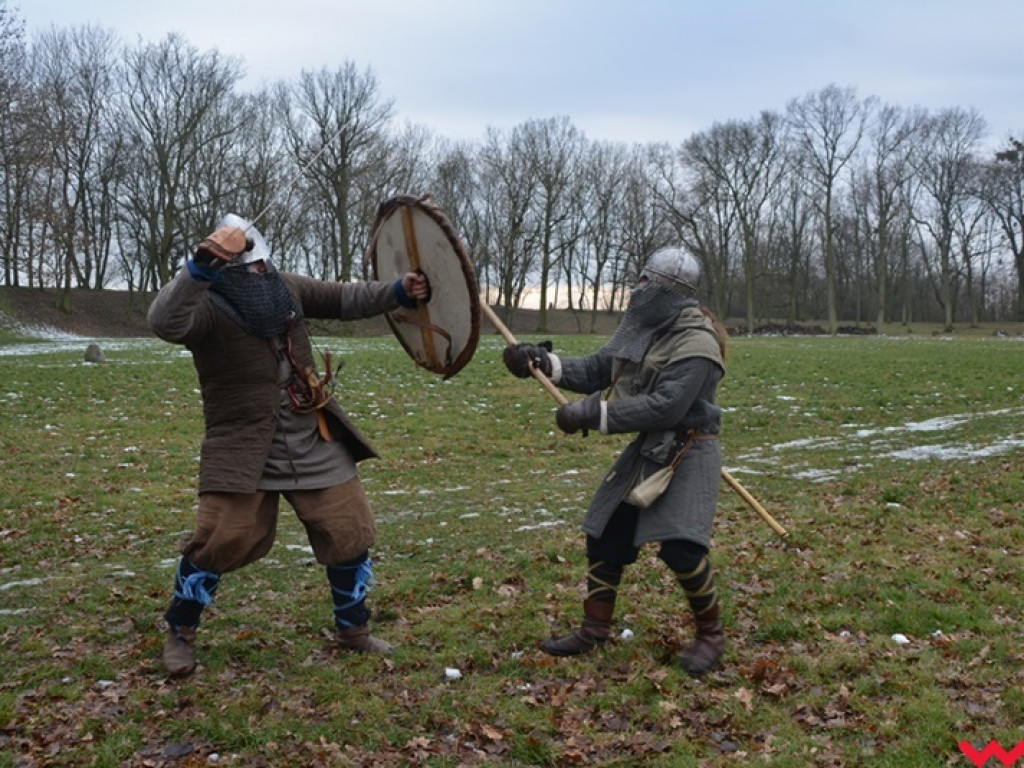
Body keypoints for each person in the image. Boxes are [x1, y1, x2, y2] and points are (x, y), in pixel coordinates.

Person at [148, 213, 430, 677]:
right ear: (230, 272)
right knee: (221, 539)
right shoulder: (206, 308)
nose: (260, 274)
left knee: (349, 528)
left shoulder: (286, 288)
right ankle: (180, 630)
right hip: (243, 445)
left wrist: (399, 291)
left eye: (262, 267)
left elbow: (345, 297)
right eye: (250, 269)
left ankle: (353, 629)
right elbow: (163, 320)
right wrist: (197, 269)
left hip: (311, 433)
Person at [502, 246, 729, 675]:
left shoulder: (697, 342)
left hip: (689, 448)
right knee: (605, 534)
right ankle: (594, 631)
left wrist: (594, 415)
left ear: (669, 291)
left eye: (647, 282)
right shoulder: (645, 327)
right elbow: (597, 369)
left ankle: (711, 635)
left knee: (682, 549)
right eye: (640, 279)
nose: (637, 289)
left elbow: (666, 407)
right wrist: (541, 362)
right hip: (650, 449)